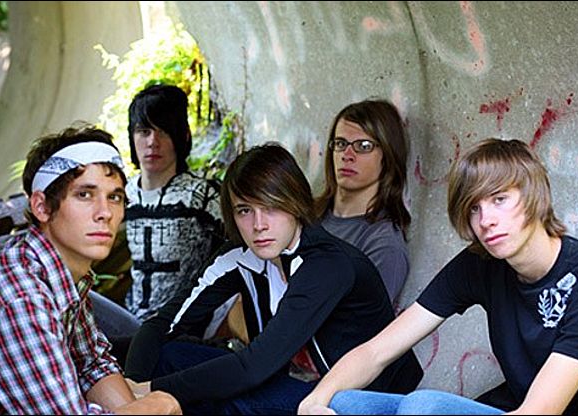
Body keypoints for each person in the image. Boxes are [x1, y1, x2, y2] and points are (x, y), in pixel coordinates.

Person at [298, 138, 578, 415]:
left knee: (423, 407)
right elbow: (376, 351)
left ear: (534, 196)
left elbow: (540, 411)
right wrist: (314, 401)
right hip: (511, 406)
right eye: (474, 208)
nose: (486, 220)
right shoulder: (482, 263)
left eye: (499, 199)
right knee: (345, 403)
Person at [124, 143, 423, 414]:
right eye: (244, 210)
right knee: (171, 356)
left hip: (358, 400)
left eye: (271, 207)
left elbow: (254, 367)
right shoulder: (239, 256)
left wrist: (152, 392)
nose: (259, 225)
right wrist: (131, 387)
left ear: (295, 205)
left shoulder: (327, 265)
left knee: (230, 397)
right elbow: (162, 324)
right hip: (288, 384)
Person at [0, 124, 180, 414]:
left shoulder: (62, 272)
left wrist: (139, 408)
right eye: (84, 195)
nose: (104, 213)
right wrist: (160, 405)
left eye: (115, 197)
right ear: (42, 207)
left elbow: (91, 363)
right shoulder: (21, 300)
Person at [90, 84, 224, 364]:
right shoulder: (121, 194)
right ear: (132, 137)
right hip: (130, 321)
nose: (153, 142)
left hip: (177, 329)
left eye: (163, 131)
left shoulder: (202, 196)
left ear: (182, 136)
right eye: (144, 131)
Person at [315, 99, 411, 306]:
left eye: (363, 146)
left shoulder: (384, 245)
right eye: (341, 144)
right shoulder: (307, 216)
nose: (347, 155)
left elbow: (359, 322)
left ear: (388, 156)